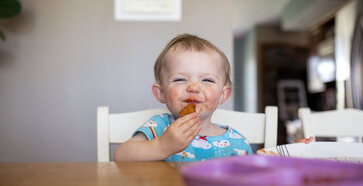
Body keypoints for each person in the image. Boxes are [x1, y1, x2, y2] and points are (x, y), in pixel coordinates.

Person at [114, 34, 312, 162]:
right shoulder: (158, 128)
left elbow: (255, 176)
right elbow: (121, 156)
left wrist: (288, 156)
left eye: (207, 80)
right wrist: (163, 145)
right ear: (161, 94)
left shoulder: (237, 142)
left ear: (223, 95)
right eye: (180, 79)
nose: (193, 87)